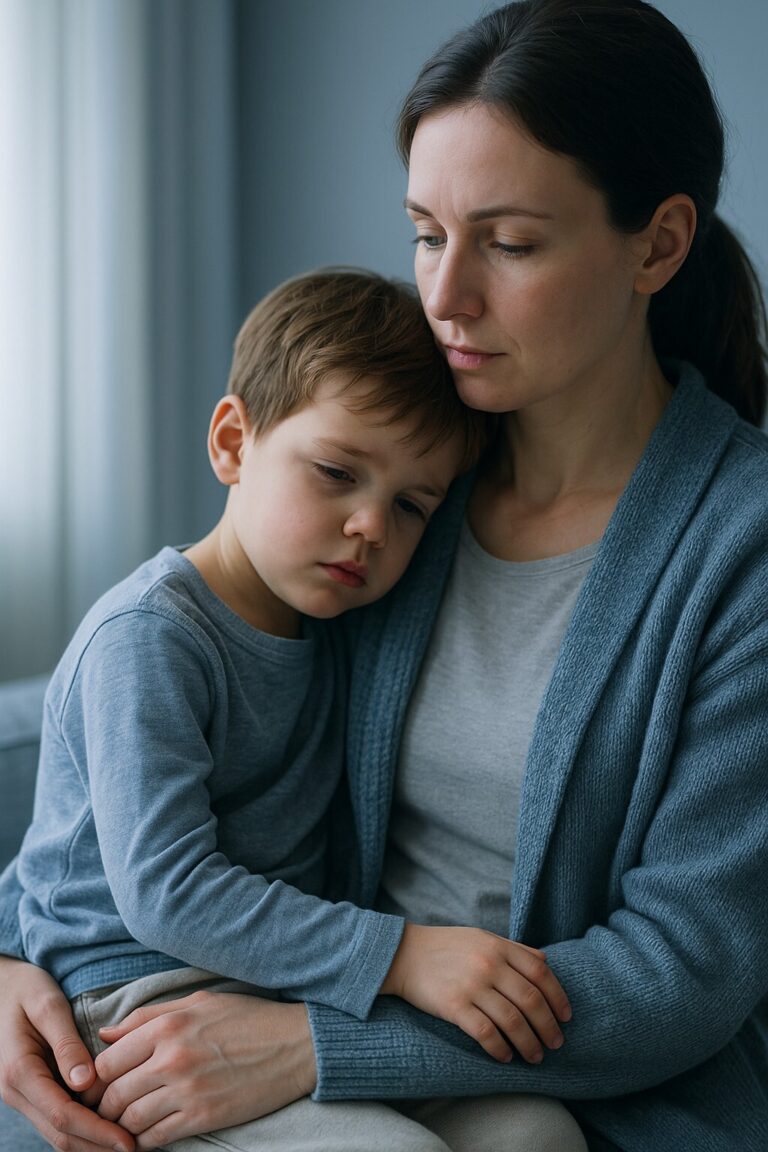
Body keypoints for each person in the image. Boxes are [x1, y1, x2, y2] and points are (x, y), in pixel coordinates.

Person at [2, 1, 768, 1150]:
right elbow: (140, 757)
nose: (444, 297)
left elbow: (684, 971)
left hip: (574, 1082)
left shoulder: (736, 548)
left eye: (509, 244)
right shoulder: (398, 474)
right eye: (424, 232)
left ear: (658, 244)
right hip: (250, 1018)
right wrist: (14, 953)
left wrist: (320, 1043)